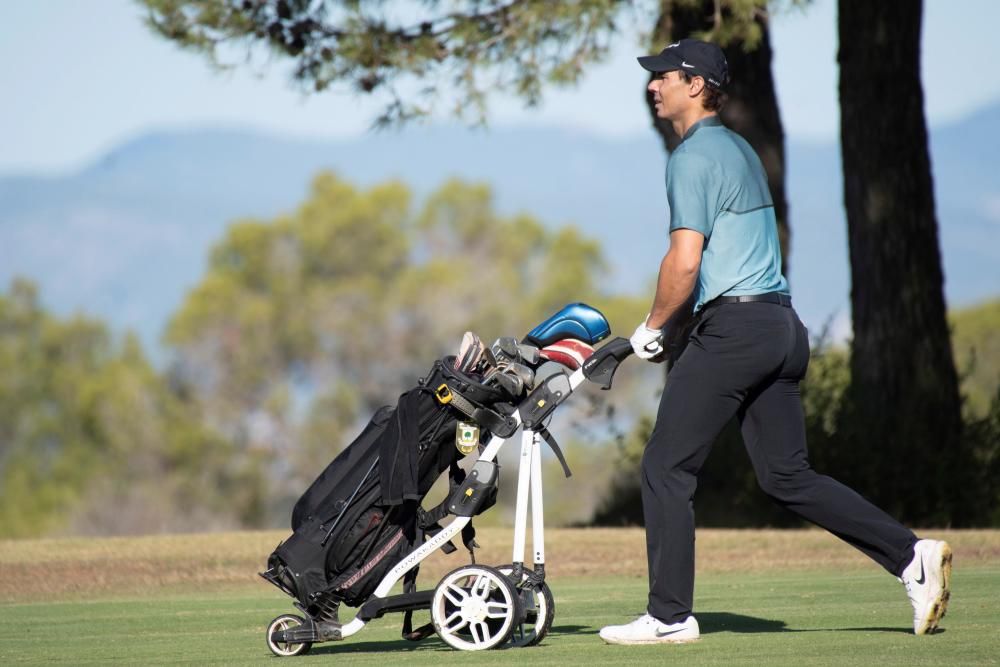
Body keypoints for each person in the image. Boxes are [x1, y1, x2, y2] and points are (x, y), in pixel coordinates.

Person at [599, 38, 952, 645]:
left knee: (666, 466)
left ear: (696, 85)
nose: (652, 86)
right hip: (781, 328)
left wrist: (652, 330)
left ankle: (668, 617)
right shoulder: (738, 149)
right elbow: (732, 258)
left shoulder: (689, 158)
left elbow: (685, 264)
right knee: (787, 475)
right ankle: (909, 555)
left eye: (664, 76)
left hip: (734, 332)